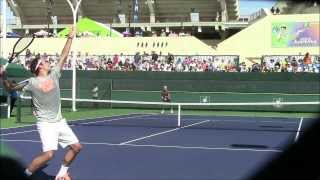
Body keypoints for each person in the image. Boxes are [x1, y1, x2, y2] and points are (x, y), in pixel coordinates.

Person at [0, 26, 82, 180]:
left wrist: (70, 38)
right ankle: (24, 176)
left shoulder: (54, 75)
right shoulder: (31, 82)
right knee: (49, 154)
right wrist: (3, 77)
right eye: (45, 61)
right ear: (40, 67)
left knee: (77, 147)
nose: (48, 61)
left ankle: (62, 174)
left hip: (59, 122)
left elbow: (64, 55)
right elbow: (11, 88)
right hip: (46, 124)